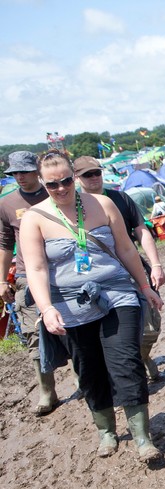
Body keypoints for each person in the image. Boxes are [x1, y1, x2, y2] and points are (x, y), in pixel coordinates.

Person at [19, 149, 164, 462]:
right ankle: (106, 431)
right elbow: (37, 268)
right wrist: (46, 308)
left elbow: (126, 248)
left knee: (125, 361)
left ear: (74, 176)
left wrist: (144, 286)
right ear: (42, 184)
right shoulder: (34, 219)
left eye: (66, 181)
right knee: (89, 370)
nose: (61, 189)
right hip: (70, 305)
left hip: (116, 294)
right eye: (52, 184)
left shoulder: (102, 204)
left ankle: (142, 438)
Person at [74, 156, 165, 381]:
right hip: (93, 276)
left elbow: (141, 231)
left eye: (97, 172)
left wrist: (155, 264)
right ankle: (120, 374)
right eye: (87, 174)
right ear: (76, 177)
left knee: (151, 324)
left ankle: (141, 356)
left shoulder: (120, 198)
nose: (94, 178)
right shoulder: (71, 206)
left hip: (131, 269)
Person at [0, 151, 62, 415]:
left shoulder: (56, 192)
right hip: (27, 275)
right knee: (33, 335)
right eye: (15, 173)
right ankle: (47, 390)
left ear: (37, 170)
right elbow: (4, 244)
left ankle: (85, 381)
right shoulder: (6, 203)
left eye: (24, 171)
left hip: (63, 270)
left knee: (76, 329)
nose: (20, 177)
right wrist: (2, 279)